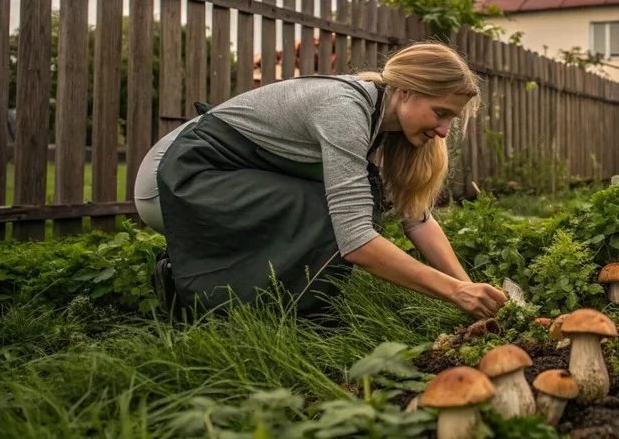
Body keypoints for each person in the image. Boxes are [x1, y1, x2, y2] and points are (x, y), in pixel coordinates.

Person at [133, 41, 509, 319]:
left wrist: (472, 292)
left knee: (347, 203)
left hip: (222, 176)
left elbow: (417, 218)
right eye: (439, 113)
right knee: (333, 214)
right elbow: (357, 242)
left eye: (451, 120)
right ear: (406, 91)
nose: (444, 131)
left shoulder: (385, 123)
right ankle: (182, 289)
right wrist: (454, 292)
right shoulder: (344, 109)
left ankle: (266, 309)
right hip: (176, 177)